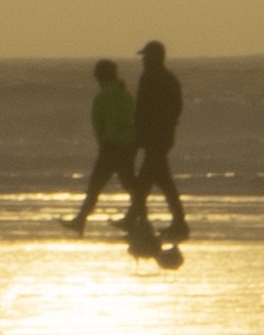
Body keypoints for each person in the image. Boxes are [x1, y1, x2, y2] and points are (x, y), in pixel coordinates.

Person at [123, 39, 190, 245]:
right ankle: (177, 221)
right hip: (165, 137)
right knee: (162, 180)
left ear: (153, 57)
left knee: (147, 181)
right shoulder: (170, 79)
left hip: (152, 137)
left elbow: (142, 110)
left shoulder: (149, 78)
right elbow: (177, 108)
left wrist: (138, 135)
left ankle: (134, 218)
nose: (143, 60)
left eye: (146, 56)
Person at [65, 57, 137, 231]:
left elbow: (111, 121)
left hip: (112, 147)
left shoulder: (105, 96)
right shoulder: (125, 94)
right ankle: (137, 219)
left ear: (101, 76)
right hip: (128, 146)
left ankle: (80, 220)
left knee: (96, 185)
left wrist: (107, 141)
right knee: (130, 186)